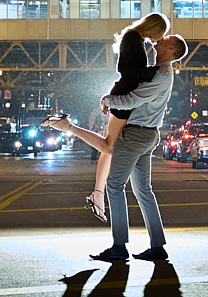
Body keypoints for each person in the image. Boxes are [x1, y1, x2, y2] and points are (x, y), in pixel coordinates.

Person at [52, 34, 189, 262]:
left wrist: (108, 101)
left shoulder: (162, 76)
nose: (161, 38)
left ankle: (119, 246)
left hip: (136, 135)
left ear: (171, 48)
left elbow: (133, 100)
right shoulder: (161, 74)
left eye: (167, 39)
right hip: (147, 135)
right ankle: (157, 246)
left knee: (114, 186)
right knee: (143, 190)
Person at [46, 12, 170, 222]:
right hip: (123, 96)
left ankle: (97, 194)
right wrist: (155, 72)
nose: (158, 39)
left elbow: (131, 70)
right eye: (159, 34)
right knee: (108, 147)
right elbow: (129, 70)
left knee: (110, 148)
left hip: (123, 93)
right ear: (153, 27)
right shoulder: (133, 39)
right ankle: (68, 127)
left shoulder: (135, 37)